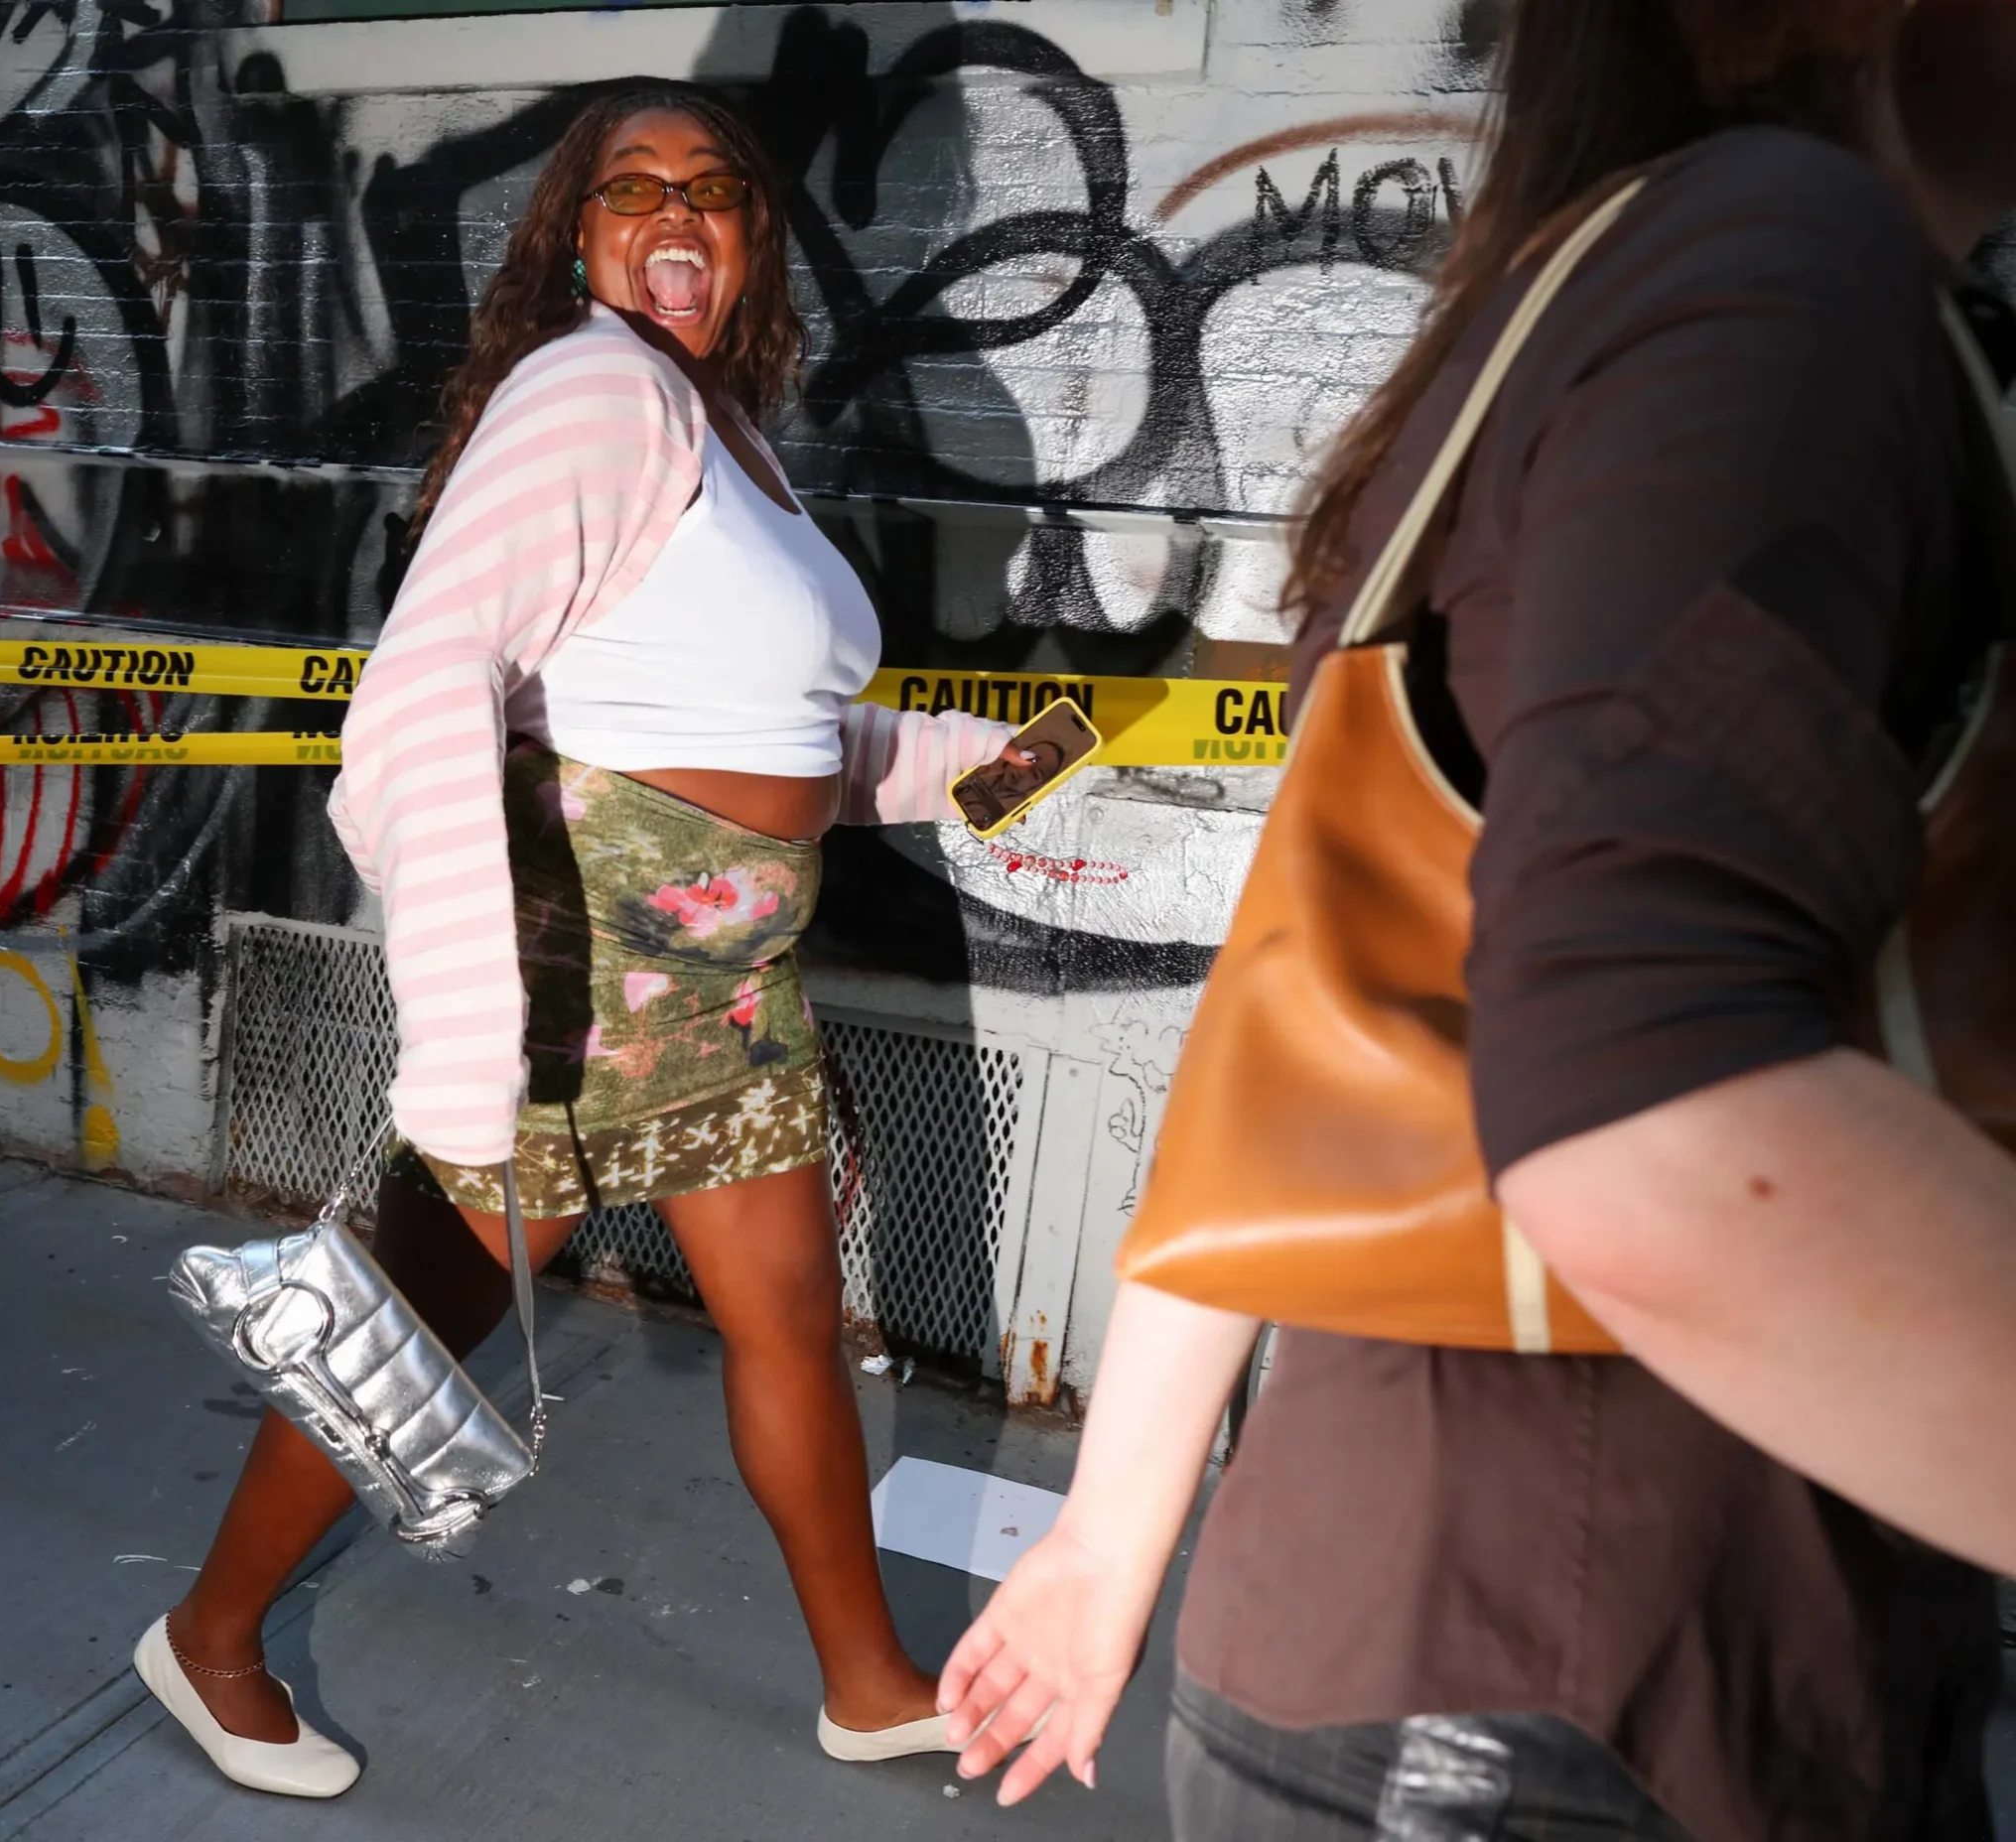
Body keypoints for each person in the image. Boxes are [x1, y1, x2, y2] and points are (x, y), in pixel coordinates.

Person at [939, 3, 2016, 1838]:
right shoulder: (1786, 271)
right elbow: (1650, 1121)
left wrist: (1114, 1535)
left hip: (1423, 1639)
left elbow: (1304, 999)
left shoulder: (1566, 302)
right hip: (1604, 1681)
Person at [134, 82, 1028, 1798]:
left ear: (758, 241)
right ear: (578, 238)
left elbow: (773, 740)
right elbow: (417, 690)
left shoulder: (729, 437)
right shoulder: (596, 388)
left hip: (730, 973)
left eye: (716, 189)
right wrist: (467, 1040)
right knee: (407, 1322)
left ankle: (865, 1677)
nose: (676, 214)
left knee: (788, 1319)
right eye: (632, 190)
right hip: (578, 974)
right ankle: (211, 1637)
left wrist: (963, 772)